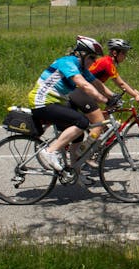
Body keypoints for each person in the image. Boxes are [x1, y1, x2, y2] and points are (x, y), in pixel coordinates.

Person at [30, 35, 117, 172]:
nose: (94, 62)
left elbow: (96, 83)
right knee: (82, 122)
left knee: (79, 135)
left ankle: (73, 170)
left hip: (55, 103)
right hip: (43, 103)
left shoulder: (81, 68)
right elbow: (84, 85)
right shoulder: (67, 62)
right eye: (92, 58)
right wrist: (104, 99)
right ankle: (51, 151)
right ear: (82, 55)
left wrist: (113, 96)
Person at [68, 38, 139, 167]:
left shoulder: (109, 63)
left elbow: (103, 85)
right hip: (82, 94)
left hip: (88, 94)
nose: (125, 56)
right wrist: (135, 95)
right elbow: (120, 83)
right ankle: (84, 152)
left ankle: (94, 144)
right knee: (98, 124)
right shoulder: (107, 62)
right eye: (123, 53)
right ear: (115, 53)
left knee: (105, 118)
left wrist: (133, 92)